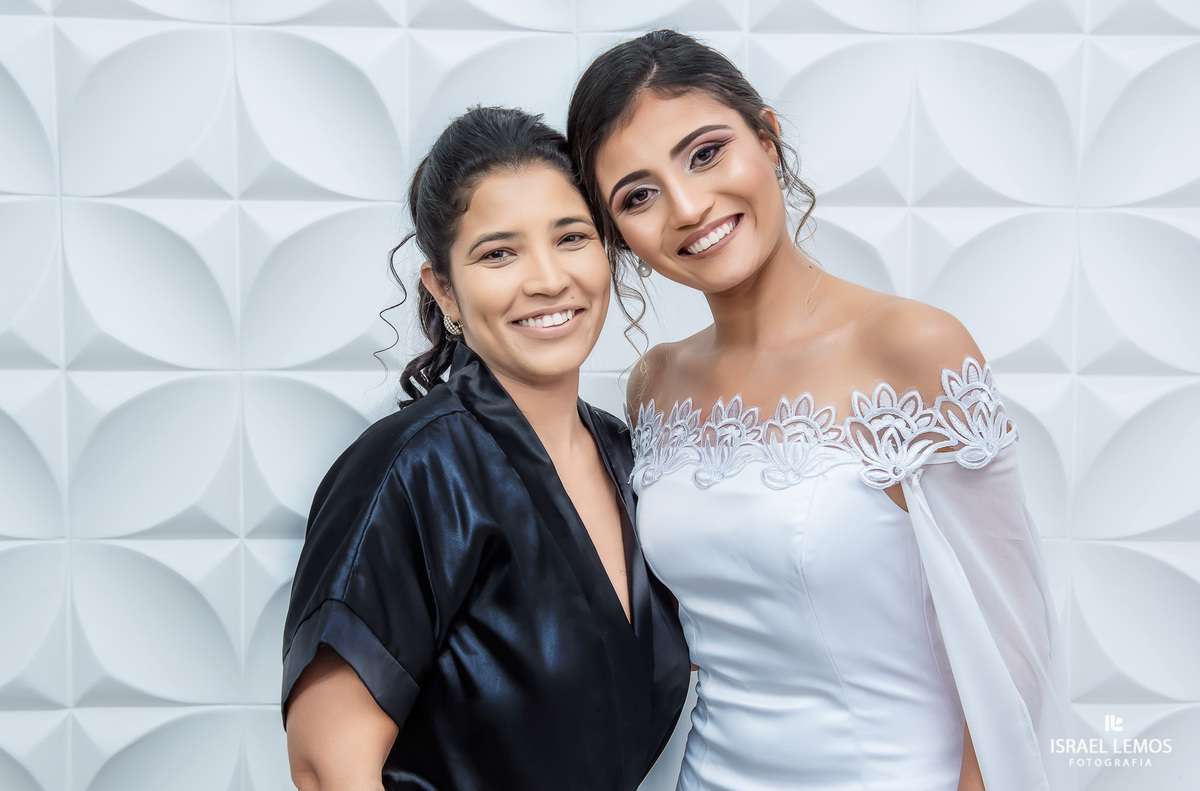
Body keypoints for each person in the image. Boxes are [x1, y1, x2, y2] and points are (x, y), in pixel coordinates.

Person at [567, 30, 1072, 791]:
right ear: (620, 236)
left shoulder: (911, 347)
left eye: (705, 153)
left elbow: (1012, 654)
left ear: (767, 137)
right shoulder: (654, 383)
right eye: (637, 196)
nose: (689, 205)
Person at [281, 106, 690, 791]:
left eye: (571, 237)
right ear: (442, 289)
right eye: (499, 252)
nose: (547, 279)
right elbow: (329, 768)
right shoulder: (409, 469)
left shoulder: (630, 456)